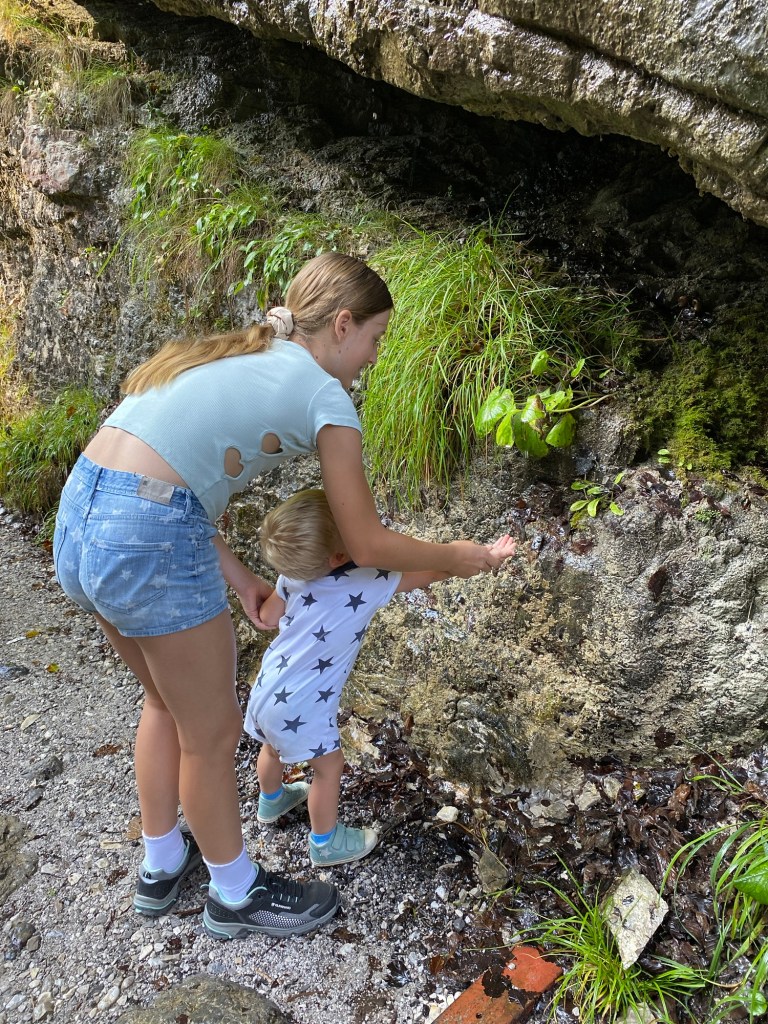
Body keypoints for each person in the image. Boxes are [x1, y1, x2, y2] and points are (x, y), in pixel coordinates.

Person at [52, 251, 510, 941]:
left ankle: (162, 862)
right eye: (377, 339)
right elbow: (366, 543)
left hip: (82, 518)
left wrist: (241, 580)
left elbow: (142, 483)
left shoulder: (238, 355)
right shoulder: (325, 395)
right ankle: (235, 894)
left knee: (163, 704)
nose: (375, 359)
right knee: (211, 734)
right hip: (147, 533)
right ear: (344, 324)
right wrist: (460, 557)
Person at [245, 488, 516, 866]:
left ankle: (272, 801)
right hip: (303, 701)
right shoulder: (367, 580)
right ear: (340, 555)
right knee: (329, 767)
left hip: (267, 688)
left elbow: (270, 618)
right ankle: (325, 843)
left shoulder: (291, 576)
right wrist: (488, 556)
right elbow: (435, 570)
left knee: (272, 747)